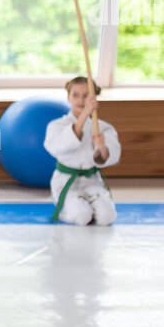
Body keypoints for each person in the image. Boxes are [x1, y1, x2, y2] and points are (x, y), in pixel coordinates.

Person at [43, 76, 120, 225]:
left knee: (106, 217)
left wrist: (101, 147)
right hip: (66, 182)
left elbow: (106, 158)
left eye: (86, 96)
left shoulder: (103, 128)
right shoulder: (57, 125)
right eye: (76, 95)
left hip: (92, 181)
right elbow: (58, 147)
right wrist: (85, 113)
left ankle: (94, 205)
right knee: (82, 216)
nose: (80, 100)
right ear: (68, 97)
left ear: (94, 99)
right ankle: (68, 208)